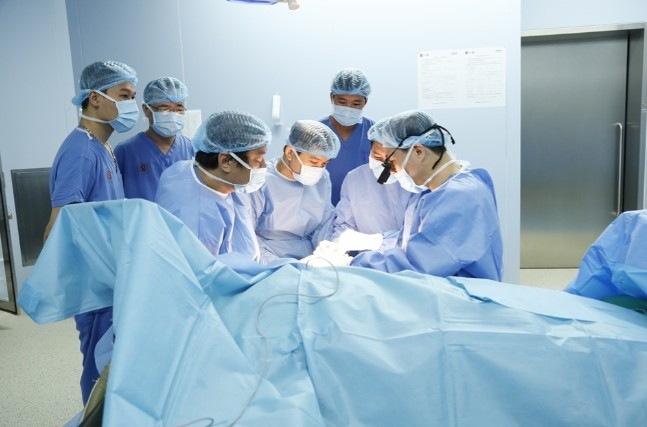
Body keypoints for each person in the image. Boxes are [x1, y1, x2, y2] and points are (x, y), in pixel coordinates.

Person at [43, 60, 138, 404]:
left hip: (109, 278)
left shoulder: (103, 147)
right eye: (123, 96)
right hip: (94, 285)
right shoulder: (81, 151)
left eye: (133, 96)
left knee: (115, 363)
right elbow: (59, 225)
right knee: (100, 367)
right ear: (95, 98)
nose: (131, 104)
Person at [342, 110, 504, 280]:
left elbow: (417, 263)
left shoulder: (460, 198)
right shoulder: (435, 192)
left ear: (418, 151)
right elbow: (415, 241)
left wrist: (350, 264)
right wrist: (377, 241)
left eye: (391, 163)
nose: (391, 172)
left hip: (460, 293)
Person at [155, 110, 271, 261]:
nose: (264, 165)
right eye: (258, 160)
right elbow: (206, 273)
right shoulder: (198, 222)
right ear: (225, 161)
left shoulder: (187, 170)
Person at [245, 120, 340, 263]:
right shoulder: (261, 181)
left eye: (324, 163)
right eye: (314, 162)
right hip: (269, 257)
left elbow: (324, 224)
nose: (319, 169)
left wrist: (326, 254)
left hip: (309, 257)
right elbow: (248, 235)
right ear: (290, 152)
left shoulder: (323, 178)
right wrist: (279, 266)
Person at [332, 116, 414, 239]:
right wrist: (337, 242)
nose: (384, 165)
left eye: (390, 159)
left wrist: (376, 241)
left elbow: (419, 232)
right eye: (377, 157)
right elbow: (344, 224)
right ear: (369, 150)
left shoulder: (415, 182)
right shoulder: (355, 178)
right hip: (365, 251)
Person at [115, 77, 194, 201]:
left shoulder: (192, 149)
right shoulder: (126, 151)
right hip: (141, 214)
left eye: (179, 109)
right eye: (164, 109)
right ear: (146, 109)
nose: (173, 115)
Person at [320, 68, 374, 206]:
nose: (348, 108)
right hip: (322, 207)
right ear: (332, 97)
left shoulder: (375, 133)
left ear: (365, 102)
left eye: (356, 104)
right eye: (342, 102)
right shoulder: (316, 132)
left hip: (362, 208)